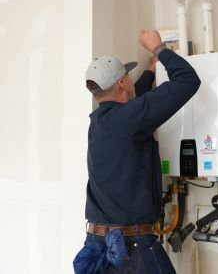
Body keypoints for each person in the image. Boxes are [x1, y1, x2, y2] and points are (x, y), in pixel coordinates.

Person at [73, 30, 201, 274]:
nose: (132, 81)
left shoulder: (99, 122)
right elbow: (187, 81)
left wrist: (151, 71)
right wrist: (159, 49)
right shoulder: (129, 118)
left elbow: (136, 99)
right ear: (122, 83)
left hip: (97, 245)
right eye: (127, 76)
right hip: (132, 249)